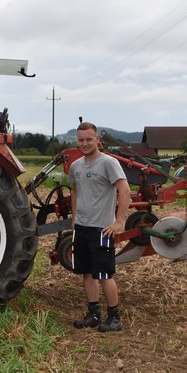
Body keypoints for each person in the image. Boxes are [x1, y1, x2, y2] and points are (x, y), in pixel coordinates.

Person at [68, 121, 131, 332]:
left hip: (101, 229)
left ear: (98, 140)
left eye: (89, 139)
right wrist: (75, 216)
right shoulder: (76, 166)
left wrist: (119, 221)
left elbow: (125, 190)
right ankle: (93, 314)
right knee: (87, 273)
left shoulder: (108, 163)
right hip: (82, 228)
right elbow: (75, 191)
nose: (85, 143)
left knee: (104, 275)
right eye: (81, 140)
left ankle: (114, 317)